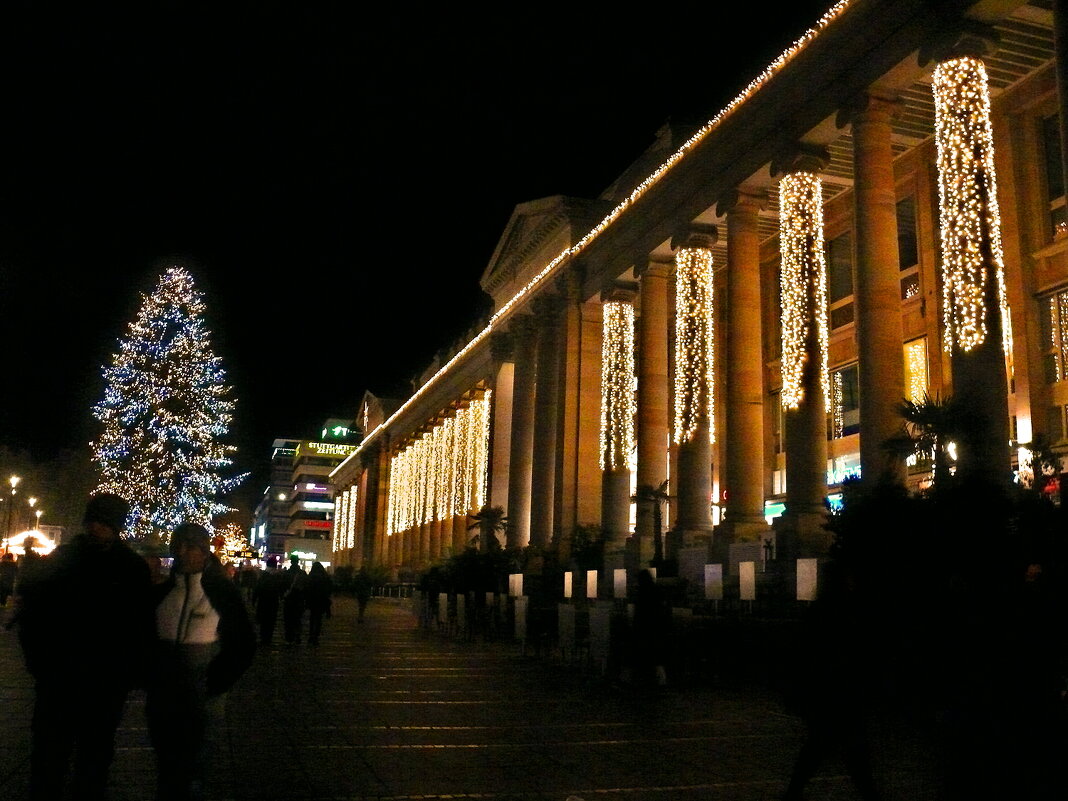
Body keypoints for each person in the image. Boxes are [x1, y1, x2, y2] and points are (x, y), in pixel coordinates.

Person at [14, 492, 154, 801]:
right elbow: (32, 618)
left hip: (105, 683)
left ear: (116, 527)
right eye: (93, 521)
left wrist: (128, 674)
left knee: (94, 759)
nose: (96, 528)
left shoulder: (131, 569)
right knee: (50, 757)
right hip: (59, 678)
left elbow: (141, 629)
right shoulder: (63, 559)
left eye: (104, 523)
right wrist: (40, 664)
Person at [147, 523, 255, 801]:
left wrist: (217, 681)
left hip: (202, 696)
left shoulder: (221, 593)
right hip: (164, 696)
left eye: (191, 546)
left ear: (204, 552)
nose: (182, 552)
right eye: (178, 545)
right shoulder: (161, 593)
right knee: (165, 760)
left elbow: (243, 644)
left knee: (195, 760)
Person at [781, 558, 881, 801]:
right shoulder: (842, 611)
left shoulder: (821, 611)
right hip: (838, 691)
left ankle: (794, 792)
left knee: (823, 747)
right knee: (842, 748)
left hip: (828, 691)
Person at [629, 568, 670, 688]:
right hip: (656, 628)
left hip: (644, 628)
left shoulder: (641, 592)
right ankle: (660, 680)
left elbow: (639, 612)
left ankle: (644, 679)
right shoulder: (657, 591)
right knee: (656, 656)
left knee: (645, 655)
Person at [252, 555, 285, 646]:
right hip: (273, 603)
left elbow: (257, 589)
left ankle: (263, 638)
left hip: (263, 602)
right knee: (271, 621)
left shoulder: (263, 576)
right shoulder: (277, 576)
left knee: (263, 621)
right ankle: (268, 638)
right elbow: (280, 589)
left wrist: (254, 600)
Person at [305, 561, 333, 646]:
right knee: (318, 619)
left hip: (312, 601)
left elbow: (307, 589)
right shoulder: (325, 577)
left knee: (312, 618)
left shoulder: (311, 577)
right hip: (321, 601)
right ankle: (315, 637)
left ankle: (311, 636)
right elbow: (329, 589)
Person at [281, 556, 308, 644]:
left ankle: (289, 637)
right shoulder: (302, 573)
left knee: (288, 619)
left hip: (288, 599)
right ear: (298, 562)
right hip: (299, 599)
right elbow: (306, 587)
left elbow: (282, 586)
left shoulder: (286, 573)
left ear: (291, 562)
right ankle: (297, 635)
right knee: (298, 619)